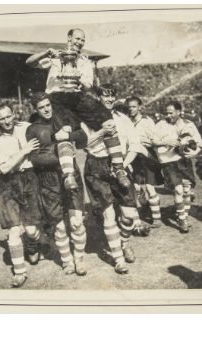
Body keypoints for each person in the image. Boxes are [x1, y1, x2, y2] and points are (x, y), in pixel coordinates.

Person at [26, 28, 131, 191]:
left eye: (83, 39)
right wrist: (45, 53)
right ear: (69, 38)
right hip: (57, 97)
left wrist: (76, 75)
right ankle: (68, 175)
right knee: (63, 133)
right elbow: (29, 62)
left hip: (77, 97)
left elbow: (88, 86)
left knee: (108, 121)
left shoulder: (84, 61)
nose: (80, 42)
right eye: (77, 38)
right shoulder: (55, 56)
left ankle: (118, 167)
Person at [81, 84, 145, 274]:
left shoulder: (123, 119)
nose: (108, 100)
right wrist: (101, 132)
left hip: (120, 165)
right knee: (108, 214)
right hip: (96, 165)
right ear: (98, 98)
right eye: (104, 96)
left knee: (129, 215)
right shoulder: (88, 118)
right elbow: (83, 144)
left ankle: (124, 243)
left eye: (111, 96)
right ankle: (118, 260)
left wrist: (122, 166)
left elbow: (135, 145)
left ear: (115, 98)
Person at [26, 93, 88, 276]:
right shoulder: (32, 129)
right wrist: (56, 142)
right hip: (49, 181)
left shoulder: (63, 118)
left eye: (48, 105)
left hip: (71, 175)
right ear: (36, 110)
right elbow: (35, 158)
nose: (47, 109)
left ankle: (79, 259)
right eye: (42, 107)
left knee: (77, 222)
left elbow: (83, 139)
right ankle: (67, 261)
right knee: (59, 226)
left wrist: (68, 134)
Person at [0, 103, 42, 288]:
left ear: (13, 114)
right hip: (8, 184)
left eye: (8, 116)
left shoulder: (26, 127)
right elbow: (5, 167)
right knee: (14, 230)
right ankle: (19, 273)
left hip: (29, 179)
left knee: (32, 230)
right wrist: (24, 151)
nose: (6, 121)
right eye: (1, 118)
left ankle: (32, 245)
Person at [150, 101, 202, 233]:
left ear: (179, 112)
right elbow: (153, 141)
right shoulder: (160, 125)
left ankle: (182, 215)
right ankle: (182, 219)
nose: (168, 115)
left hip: (183, 161)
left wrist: (194, 152)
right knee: (178, 190)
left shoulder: (188, 124)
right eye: (166, 113)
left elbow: (198, 142)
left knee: (186, 190)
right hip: (168, 162)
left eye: (171, 112)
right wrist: (166, 141)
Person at [126, 96, 163, 229]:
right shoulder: (127, 121)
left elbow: (156, 139)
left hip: (147, 156)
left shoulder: (147, 121)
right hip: (134, 158)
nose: (131, 109)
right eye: (129, 107)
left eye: (134, 106)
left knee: (149, 187)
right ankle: (146, 206)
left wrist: (147, 142)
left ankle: (157, 218)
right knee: (136, 187)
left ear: (140, 107)